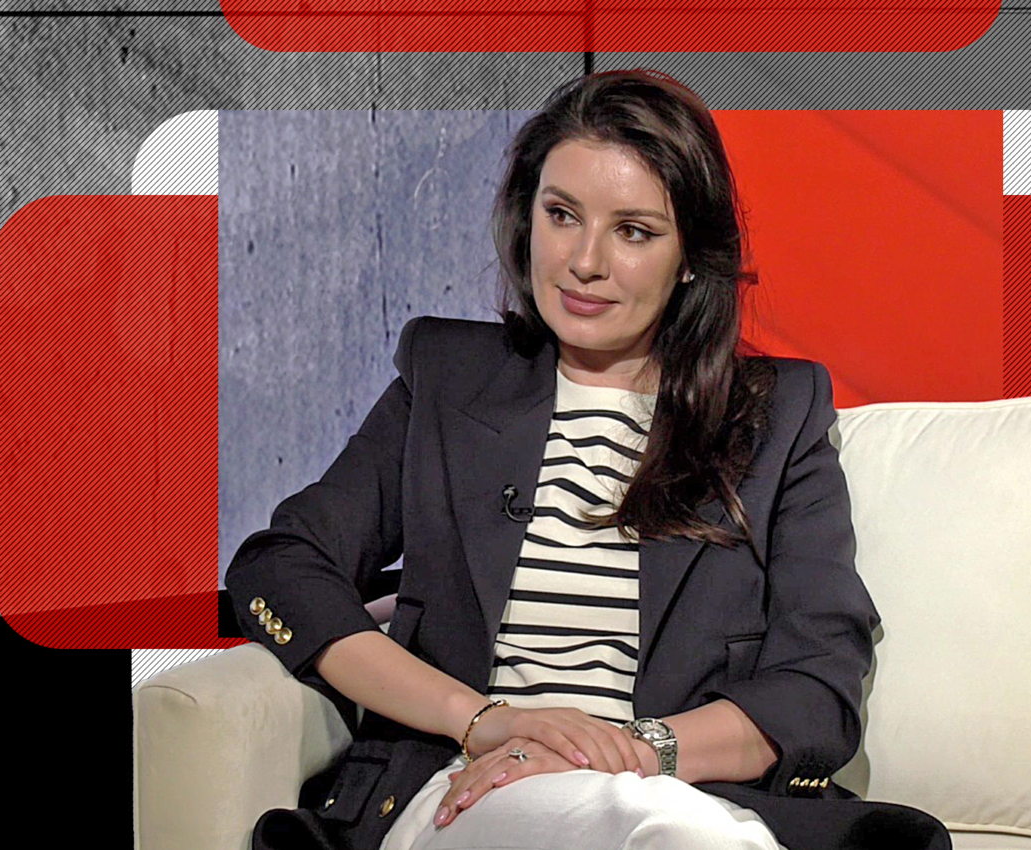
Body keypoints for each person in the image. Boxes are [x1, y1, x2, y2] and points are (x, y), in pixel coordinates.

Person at [225, 69, 952, 850]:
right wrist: (481, 720)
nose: (584, 261)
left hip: (683, 798)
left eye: (633, 231)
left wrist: (626, 753)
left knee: (662, 824)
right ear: (527, 217)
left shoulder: (778, 415)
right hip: (465, 793)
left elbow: (818, 683)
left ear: (691, 257)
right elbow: (282, 566)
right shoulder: (446, 376)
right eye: (562, 215)